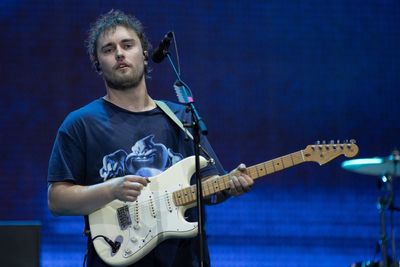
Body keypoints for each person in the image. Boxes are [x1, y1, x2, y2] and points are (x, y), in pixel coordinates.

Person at [47, 10, 253, 267]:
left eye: (127, 45)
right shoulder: (81, 124)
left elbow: (208, 188)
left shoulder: (181, 117)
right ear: (97, 63)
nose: (120, 54)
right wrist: (111, 189)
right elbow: (57, 200)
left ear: (145, 54)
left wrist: (229, 185)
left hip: (185, 258)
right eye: (109, 49)